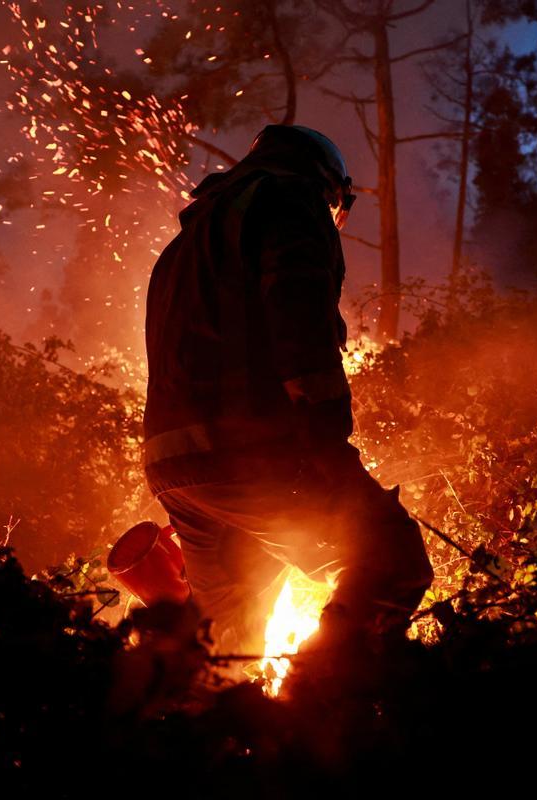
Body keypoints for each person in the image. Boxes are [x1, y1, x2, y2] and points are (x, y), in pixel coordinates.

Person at [142, 124, 433, 667]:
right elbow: (299, 325)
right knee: (392, 557)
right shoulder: (290, 199)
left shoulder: (185, 243)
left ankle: (220, 739)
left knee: (228, 644)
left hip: (174, 469)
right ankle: (316, 697)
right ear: (327, 185)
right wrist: (328, 444)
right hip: (252, 454)